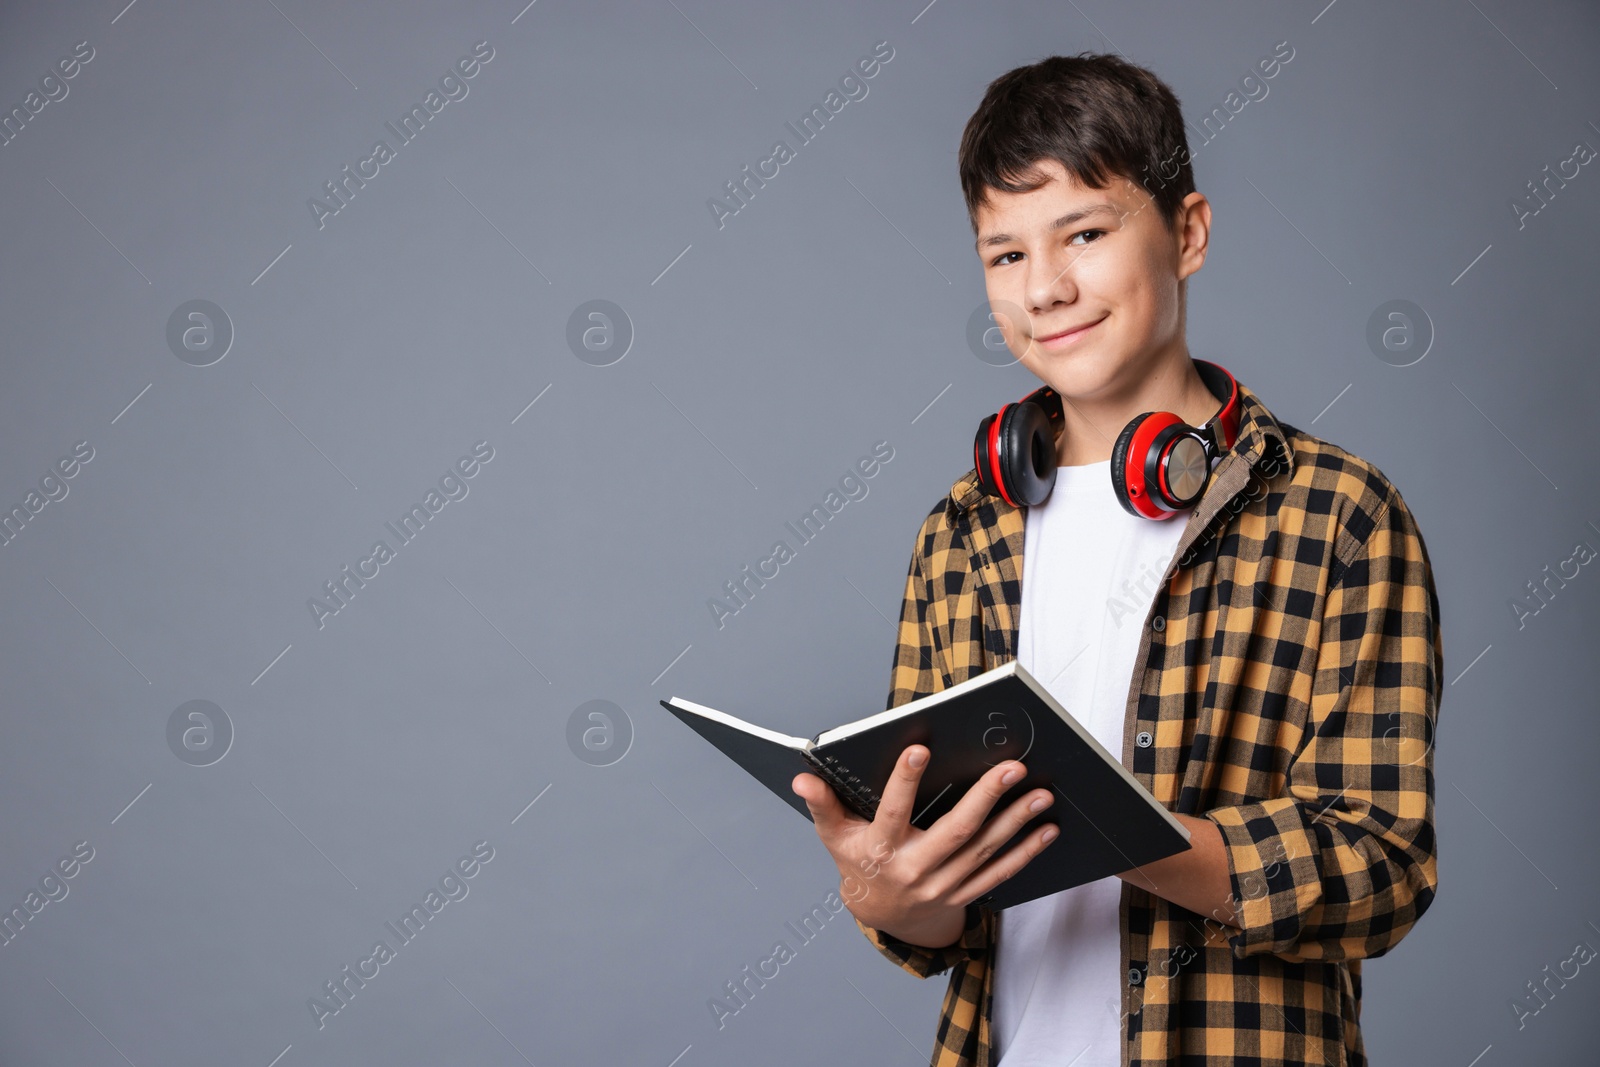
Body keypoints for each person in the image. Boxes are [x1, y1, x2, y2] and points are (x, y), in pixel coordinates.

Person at [791, 53, 1441, 1067]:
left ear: (1187, 234)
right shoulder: (959, 533)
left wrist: (1130, 832)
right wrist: (889, 894)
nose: (1044, 287)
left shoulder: (1339, 515)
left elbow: (1380, 867)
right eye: (1004, 255)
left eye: (1084, 234)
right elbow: (948, 917)